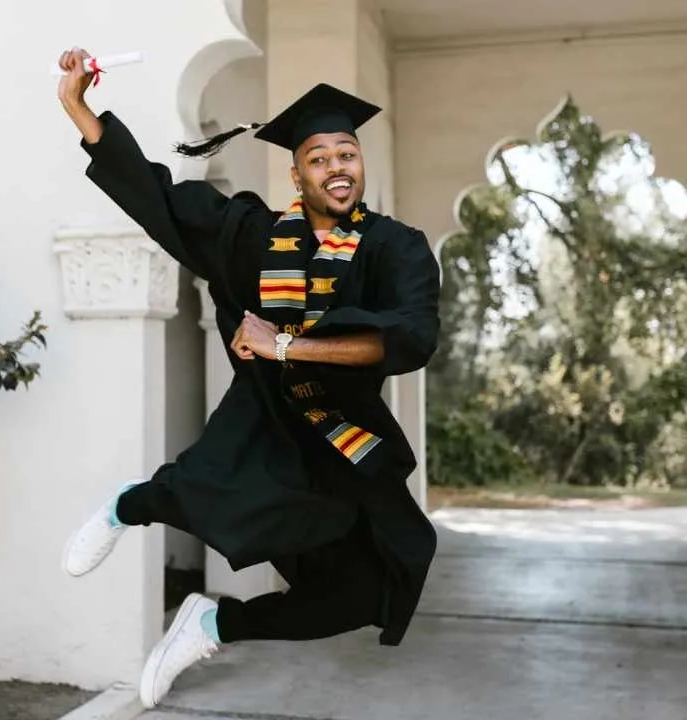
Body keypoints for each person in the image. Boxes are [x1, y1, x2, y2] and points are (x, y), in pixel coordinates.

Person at [57, 48, 440, 709]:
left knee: (366, 592)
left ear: (360, 161)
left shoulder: (394, 247)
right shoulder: (255, 238)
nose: (337, 168)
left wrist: (285, 343)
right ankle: (127, 506)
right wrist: (77, 107)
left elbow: (406, 337)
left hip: (343, 435)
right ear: (298, 173)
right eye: (319, 158)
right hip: (265, 413)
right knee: (200, 492)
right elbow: (162, 203)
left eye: (346, 153)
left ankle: (211, 622)